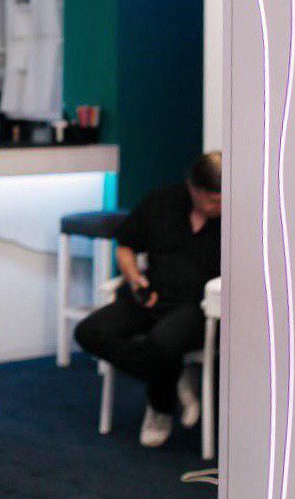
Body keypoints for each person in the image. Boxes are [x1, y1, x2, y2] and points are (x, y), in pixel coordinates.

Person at [74, 152, 222, 448]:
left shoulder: (236, 217)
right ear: (193, 188)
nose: (217, 207)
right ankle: (170, 376)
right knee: (89, 332)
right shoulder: (161, 202)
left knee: (162, 343)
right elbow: (125, 245)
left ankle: (161, 409)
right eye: (211, 201)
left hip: (196, 306)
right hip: (152, 295)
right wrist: (134, 280)